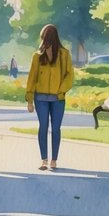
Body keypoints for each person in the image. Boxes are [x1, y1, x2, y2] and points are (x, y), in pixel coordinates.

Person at [24, 24, 73, 171]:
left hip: (58, 99)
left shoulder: (64, 54)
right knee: (43, 127)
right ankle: (44, 159)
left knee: (56, 128)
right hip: (41, 98)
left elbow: (69, 75)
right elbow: (32, 78)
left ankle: (54, 160)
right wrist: (30, 99)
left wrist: (60, 90)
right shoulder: (38, 55)